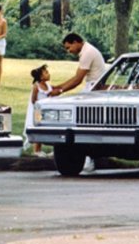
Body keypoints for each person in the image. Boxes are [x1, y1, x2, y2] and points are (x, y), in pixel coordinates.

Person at [54, 32, 106, 171]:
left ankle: (89, 156)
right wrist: (58, 87)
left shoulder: (87, 52)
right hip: (92, 86)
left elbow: (77, 80)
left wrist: (59, 90)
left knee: (81, 121)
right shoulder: (86, 50)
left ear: (76, 42)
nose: (68, 51)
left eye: (68, 47)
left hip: (94, 89)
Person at [25, 64, 61, 156]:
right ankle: (37, 150)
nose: (49, 74)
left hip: (48, 111)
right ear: (41, 77)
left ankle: (56, 150)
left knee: (53, 129)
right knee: (39, 129)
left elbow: (54, 91)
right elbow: (33, 100)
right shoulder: (36, 86)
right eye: (46, 73)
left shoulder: (48, 85)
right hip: (38, 111)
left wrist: (58, 92)